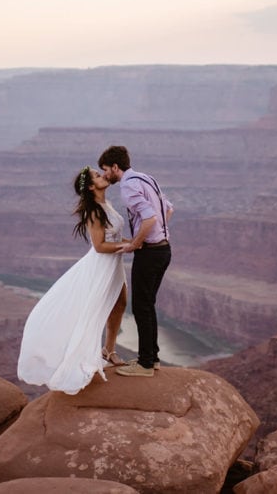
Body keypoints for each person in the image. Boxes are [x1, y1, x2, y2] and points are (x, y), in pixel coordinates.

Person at [16, 165, 130, 394]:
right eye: (97, 176)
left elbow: (114, 235)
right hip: (101, 266)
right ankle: (83, 355)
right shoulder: (94, 211)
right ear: (90, 186)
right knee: (93, 310)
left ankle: (108, 350)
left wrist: (135, 241)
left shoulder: (105, 205)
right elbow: (99, 246)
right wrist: (131, 246)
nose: (102, 176)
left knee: (120, 304)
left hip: (114, 264)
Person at [99, 145, 174, 378]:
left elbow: (150, 218)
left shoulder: (128, 186)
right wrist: (158, 233)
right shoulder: (146, 178)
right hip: (164, 249)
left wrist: (136, 243)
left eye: (105, 170)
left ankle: (145, 365)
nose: (105, 175)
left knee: (141, 307)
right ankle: (153, 358)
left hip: (150, 252)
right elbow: (168, 209)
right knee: (147, 305)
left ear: (115, 167)